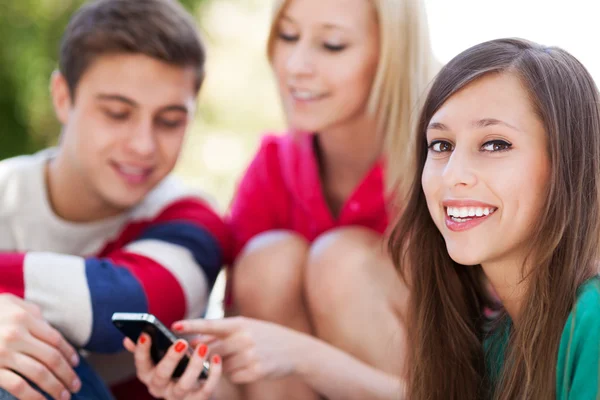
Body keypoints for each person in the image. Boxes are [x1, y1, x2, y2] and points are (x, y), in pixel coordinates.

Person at [126, 0, 438, 398]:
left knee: (340, 262)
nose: (295, 65)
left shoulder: (443, 165)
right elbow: (245, 378)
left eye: (332, 44)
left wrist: (303, 356)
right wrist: (190, 383)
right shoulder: (274, 166)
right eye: (288, 36)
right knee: (268, 259)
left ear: (393, 54)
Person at [0, 0, 229, 399]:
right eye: (118, 113)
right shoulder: (7, 191)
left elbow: (119, 304)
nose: (143, 145)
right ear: (62, 97)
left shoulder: (193, 221)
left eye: (170, 121)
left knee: (31, 363)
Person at [389, 38, 600, 399]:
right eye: (441, 145)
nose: (454, 174)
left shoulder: (592, 320)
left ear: (567, 162)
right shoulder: (494, 344)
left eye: (495, 144)